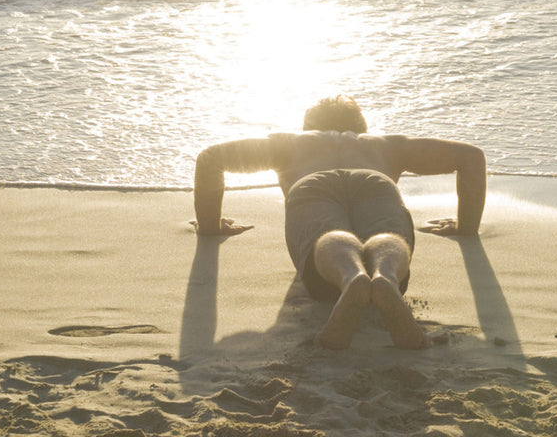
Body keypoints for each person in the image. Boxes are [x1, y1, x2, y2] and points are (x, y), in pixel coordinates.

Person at [192, 96, 486, 349]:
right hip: (375, 182)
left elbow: (210, 158)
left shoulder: (289, 143)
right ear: (361, 126)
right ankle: (384, 276)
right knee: (386, 234)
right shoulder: (386, 144)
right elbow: (471, 157)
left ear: (308, 127)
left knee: (328, 234)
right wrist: (465, 227)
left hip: (312, 185)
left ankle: (351, 277)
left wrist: (210, 226)